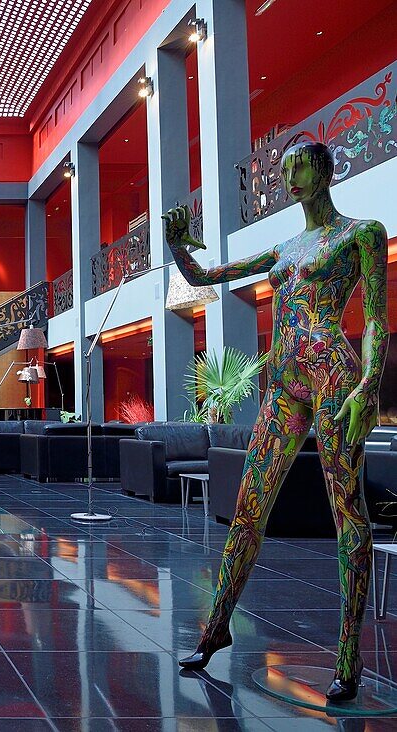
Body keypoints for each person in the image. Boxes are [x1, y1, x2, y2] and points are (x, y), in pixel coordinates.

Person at [166, 141, 388, 701]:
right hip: (286, 385)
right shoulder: (283, 248)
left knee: (347, 509)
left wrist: (369, 386)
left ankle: (348, 656)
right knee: (247, 508)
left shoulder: (361, 233)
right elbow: (201, 277)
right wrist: (174, 243)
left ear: (326, 170)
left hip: (334, 377)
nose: (290, 177)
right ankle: (216, 632)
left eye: (300, 166)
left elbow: (379, 324)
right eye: (284, 168)